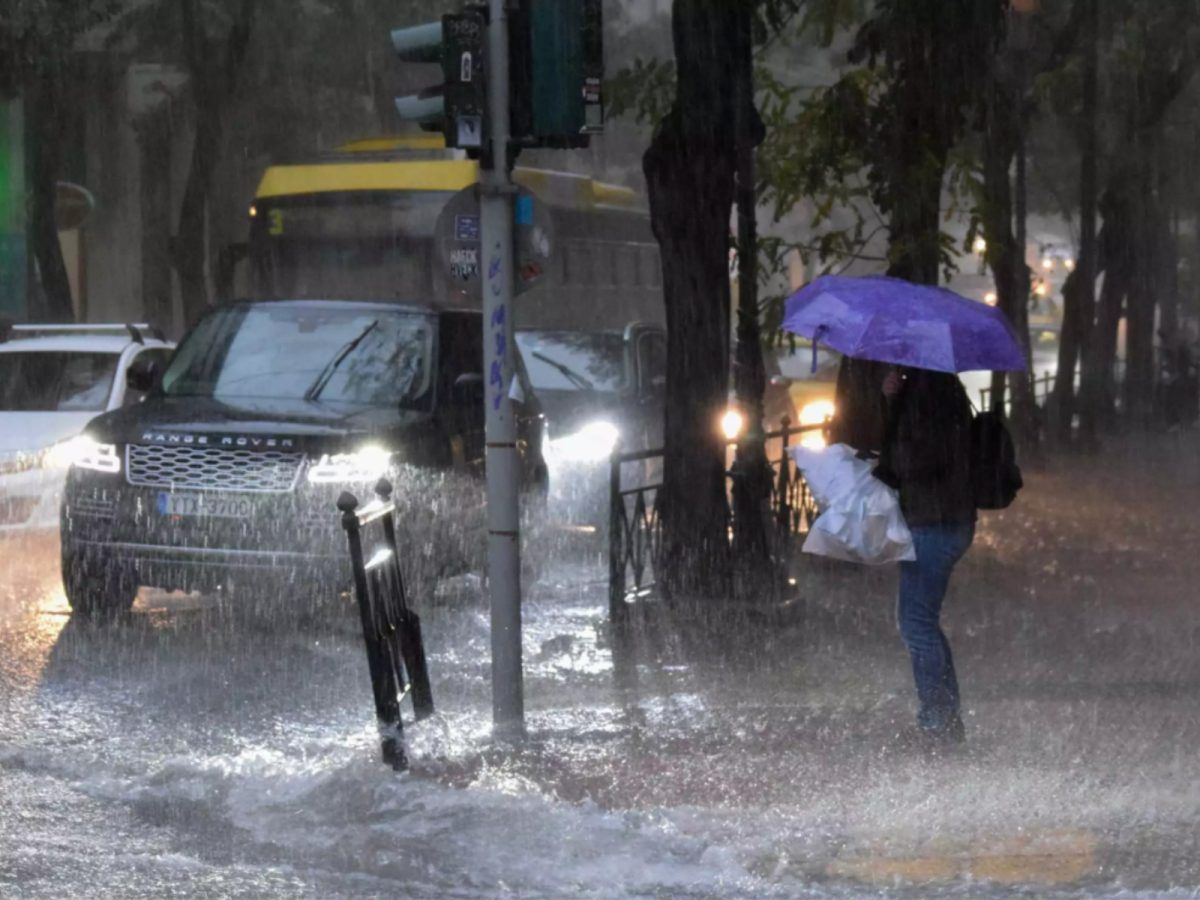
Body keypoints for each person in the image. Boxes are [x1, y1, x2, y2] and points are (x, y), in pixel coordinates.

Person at [874, 365, 976, 747]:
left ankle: (938, 722)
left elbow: (919, 459)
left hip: (935, 520)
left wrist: (885, 464)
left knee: (915, 624)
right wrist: (893, 400)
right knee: (922, 623)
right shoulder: (936, 386)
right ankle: (945, 716)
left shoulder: (929, 391)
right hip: (942, 517)